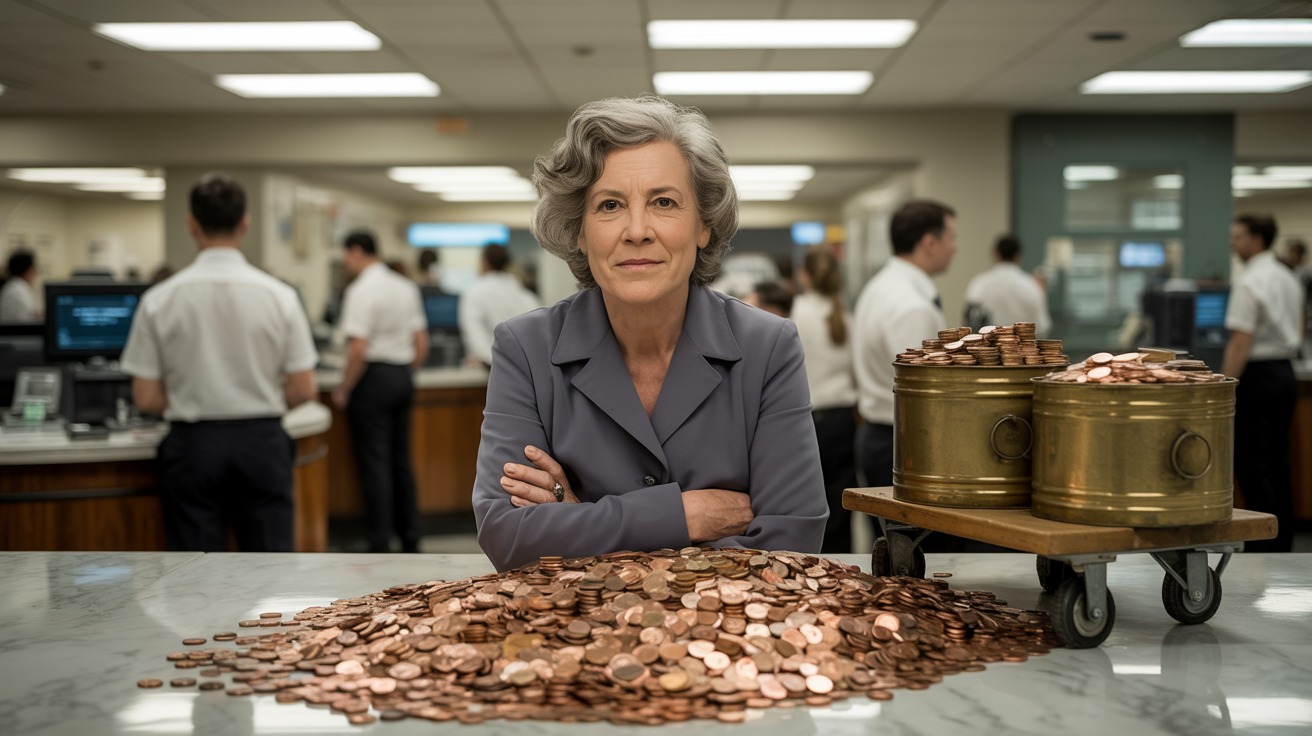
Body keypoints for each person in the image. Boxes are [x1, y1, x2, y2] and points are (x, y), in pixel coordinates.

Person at [472, 95, 827, 572]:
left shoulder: (769, 346)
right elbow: (506, 535)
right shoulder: (525, 347)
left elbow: (793, 542)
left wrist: (579, 521)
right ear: (579, 232)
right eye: (610, 205)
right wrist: (683, 515)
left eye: (664, 202)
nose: (637, 230)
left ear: (703, 226)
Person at [120, 173, 318, 552]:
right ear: (245, 223)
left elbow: (145, 398)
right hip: (262, 445)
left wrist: (194, 394)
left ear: (191, 225)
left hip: (192, 447)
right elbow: (303, 388)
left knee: (196, 576)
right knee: (270, 573)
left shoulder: (160, 299)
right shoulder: (280, 296)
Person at [332, 230, 430, 553]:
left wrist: (345, 388)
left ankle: (379, 539)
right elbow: (421, 344)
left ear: (357, 252)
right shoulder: (405, 286)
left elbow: (358, 349)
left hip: (372, 380)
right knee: (401, 460)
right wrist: (402, 371)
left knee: (375, 463)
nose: (346, 263)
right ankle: (410, 535)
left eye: (346, 256)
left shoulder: (360, 290)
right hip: (401, 377)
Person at [853, 200, 957, 491]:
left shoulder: (880, 286)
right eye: (951, 238)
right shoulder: (911, 305)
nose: (955, 248)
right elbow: (924, 393)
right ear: (929, 242)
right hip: (904, 442)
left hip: (879, 434)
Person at [1223, 214, 1302, 553]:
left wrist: (1225, 386)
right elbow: (1298, 329)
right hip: (1285, 373)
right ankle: (1281, 538)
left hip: (1257, 377)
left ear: (1257, 239)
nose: (1233, 243)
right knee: (1278, 460)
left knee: (1254, 463)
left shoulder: (1249, 281)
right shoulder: (1288, 276)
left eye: (1238, 236)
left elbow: (1241, 341)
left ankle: (1262, 543)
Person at [791, 246, 859, 554]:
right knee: (841, 501)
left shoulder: (797, 314)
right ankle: (842, 565)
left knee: (808, 500)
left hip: (808, 418)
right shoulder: (844, 316)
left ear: (804, 276)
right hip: (844, 419)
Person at [458, 243, 541, 367]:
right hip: (526, 367)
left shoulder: (473, 292)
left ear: (484, 263)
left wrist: (488, 360)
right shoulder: (523, 293)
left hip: (492, 368)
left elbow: (475, 337)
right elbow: (538, 331)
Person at [963, 235, 1051, 336]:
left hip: (986, 348)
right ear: (1018, 256)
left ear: (995, 254)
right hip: (1021, 349)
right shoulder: (1031, 287)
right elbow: (1042, 328)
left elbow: (969, 322)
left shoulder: (978, 284)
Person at [0, 249, 40, 322]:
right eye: (33, 268)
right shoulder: (18, 291)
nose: (36, 272)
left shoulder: (15, 286)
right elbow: (26, 322)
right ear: (27, 270)